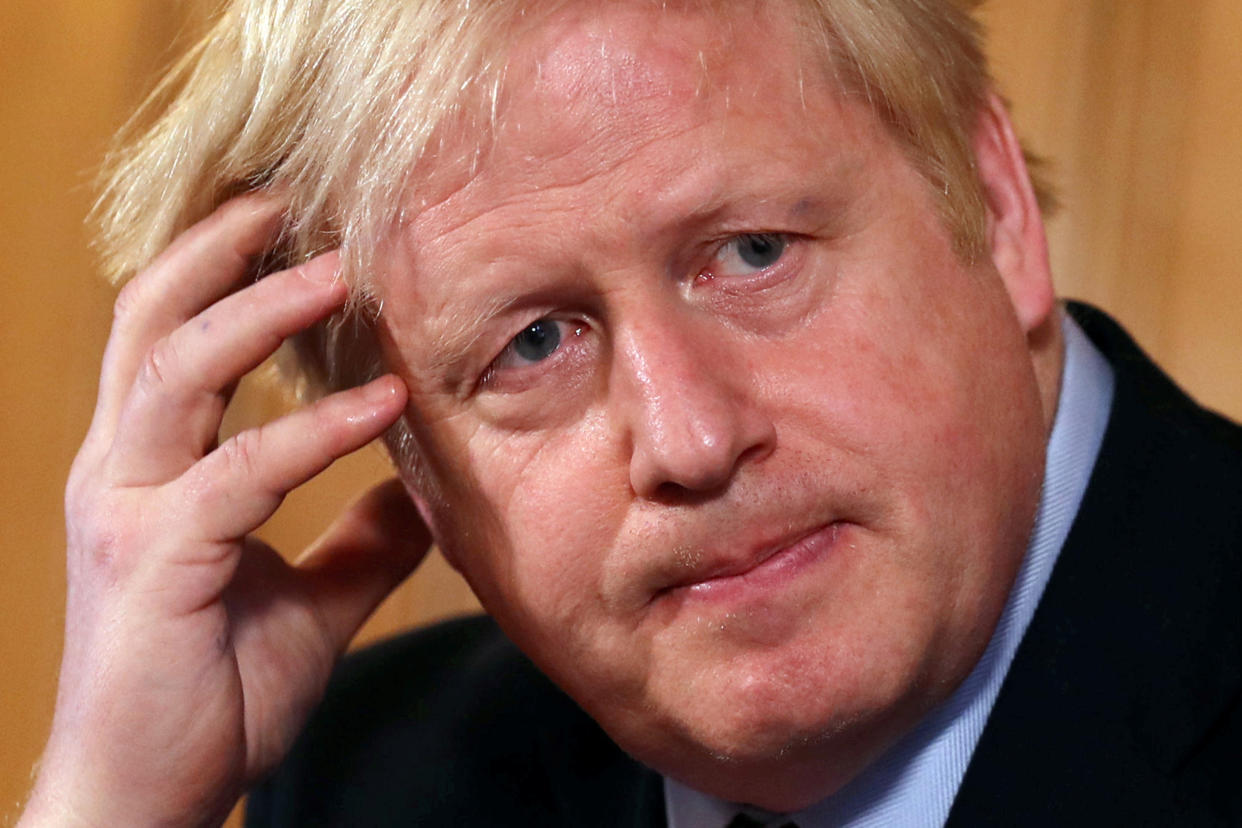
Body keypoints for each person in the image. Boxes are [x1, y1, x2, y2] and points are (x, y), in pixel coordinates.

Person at [19, 0, 1241, 825]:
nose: (691, 441)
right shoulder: (369, 779)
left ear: (994, 202)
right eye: (532, 343)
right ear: (415, 472)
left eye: (754, 253)